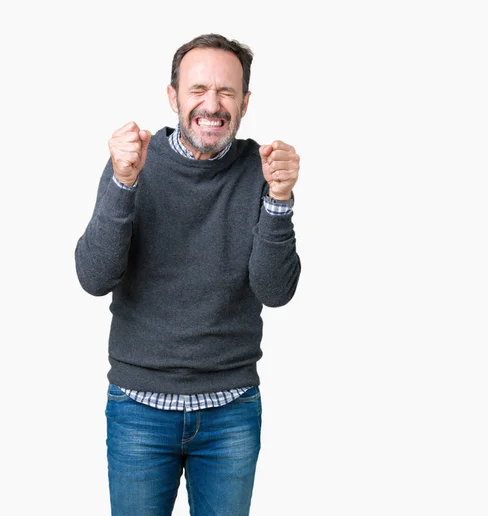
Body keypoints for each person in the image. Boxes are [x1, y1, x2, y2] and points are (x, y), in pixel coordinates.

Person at [75, 33, 301, 516]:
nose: (212, 105)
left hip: (231, 409)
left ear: (244, 102)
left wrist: (280, 198)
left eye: (226, 92)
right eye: (198, 90)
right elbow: (94, 277)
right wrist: (122, 184)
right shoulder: (135, 162)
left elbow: (275, 290)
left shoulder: (262, 169)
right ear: (173, 96)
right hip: (138, 407)